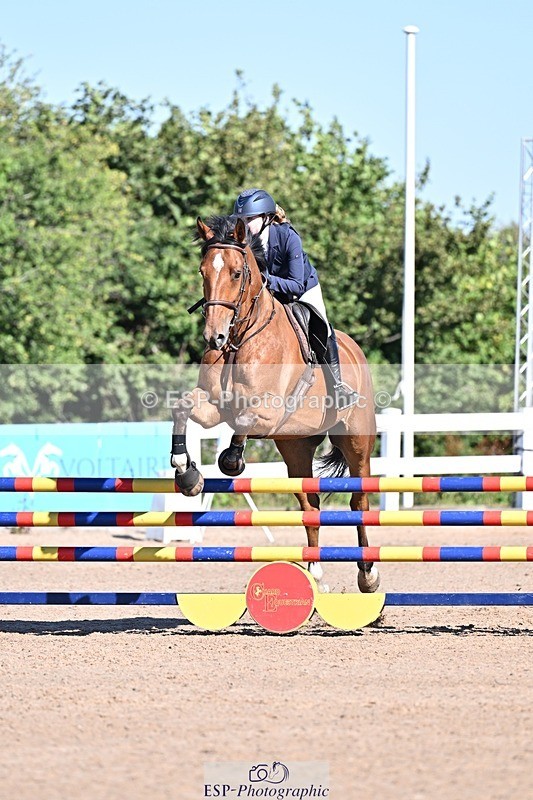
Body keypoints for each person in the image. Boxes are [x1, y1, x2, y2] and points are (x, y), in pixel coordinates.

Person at [233, 187, 359, 409]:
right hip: (268, 292)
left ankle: (338, 387)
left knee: (323, 327)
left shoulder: (288, 237)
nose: (244, 225)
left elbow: (296, 285)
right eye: (241, 219)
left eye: (249, 219)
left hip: (302, 288)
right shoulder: (243, 242)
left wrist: (265, 280)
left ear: (266, 218)